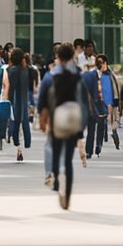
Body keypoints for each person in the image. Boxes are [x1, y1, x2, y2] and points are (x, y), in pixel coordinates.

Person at [38, 42, 90, 209]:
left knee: (55, 150)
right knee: (68, 159)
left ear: (58, 57)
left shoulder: (51, 75)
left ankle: (55, 180)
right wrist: (82, 127)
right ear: (72, 56)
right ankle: (67, 193)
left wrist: (43, 119)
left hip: (56, 120)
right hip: (73, 118)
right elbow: (84, 102)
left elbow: (43, 99)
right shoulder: (78, 75)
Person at [4, 48, 33, 161]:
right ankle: (27, 142)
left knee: (14, 119)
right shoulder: (27, 69)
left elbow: (8, 85)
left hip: (13, 96)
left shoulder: (10, 69)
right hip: (24, 96)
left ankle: (15, 140)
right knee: (24, 119)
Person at [81, 58, 106, 162]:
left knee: (100, 126)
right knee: (91, 128)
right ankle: (89, 151)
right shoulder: (89, 75)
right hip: (92, 104)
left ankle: (98, 146)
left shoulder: (106, 76)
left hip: (101, 104)